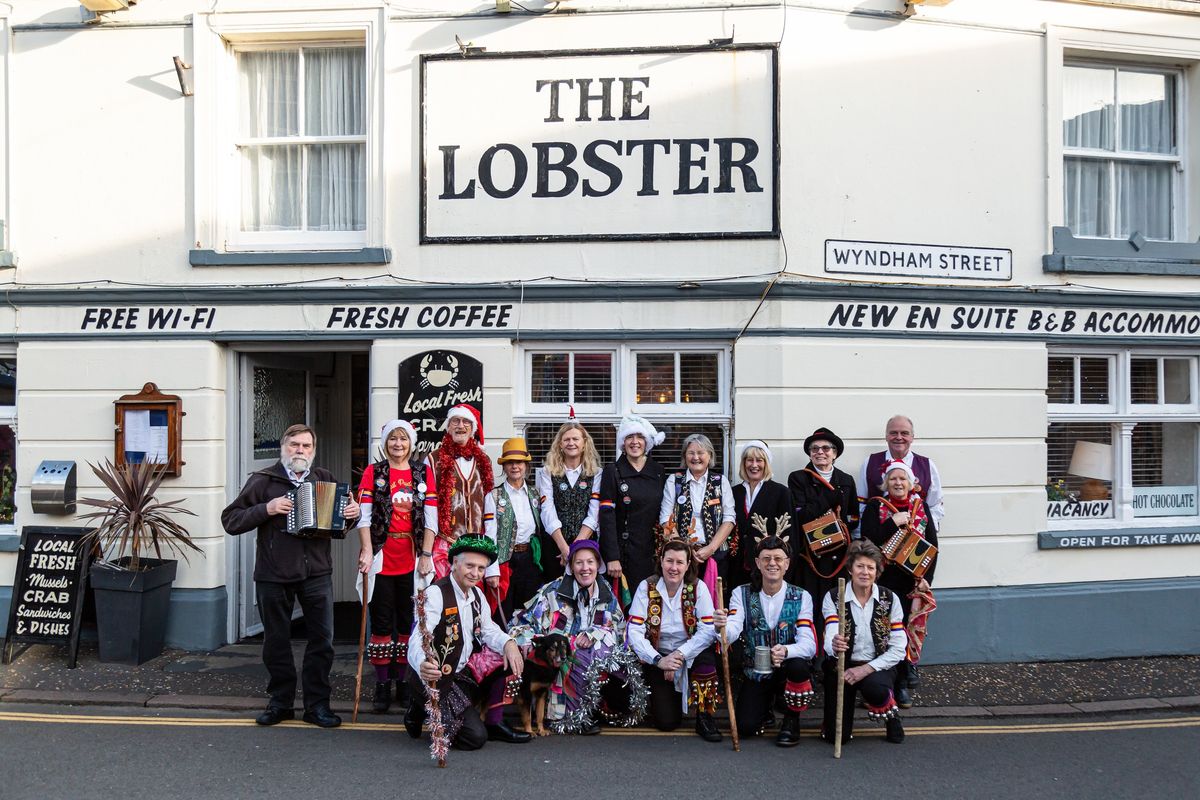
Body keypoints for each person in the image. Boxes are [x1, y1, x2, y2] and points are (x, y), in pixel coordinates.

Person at [221, 423, 361, 728]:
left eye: (306, 446)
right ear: (283, 448)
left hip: (317, 573)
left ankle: (317, 706)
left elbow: (339, 525)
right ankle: (280, 702)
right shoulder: (263, 482)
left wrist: (353, 515)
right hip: (273, 573)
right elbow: (231, 521)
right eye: (294, 445)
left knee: (322, 641)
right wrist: (267, 508)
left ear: (313, 450)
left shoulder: (323, 478)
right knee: (277, 641)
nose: (300, 450)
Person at [405, 535, 531, 749]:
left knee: (505, 654)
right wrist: (421, 665)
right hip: (436, 678)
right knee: (474, 738)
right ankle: (420, 704)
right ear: (454, 563)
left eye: (481, 568)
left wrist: (509, 643)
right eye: (470, 566)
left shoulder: (477, 595)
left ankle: (493, 720)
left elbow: (489, 629)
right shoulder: (435, 594)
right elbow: (417, 637)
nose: (475, 573)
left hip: (461, 674)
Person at [509, 539, 640, 734]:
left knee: (602, 653)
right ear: (571, 566)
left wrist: (594, 634)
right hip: (558, 658)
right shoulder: (553, 591)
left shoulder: (606, 593)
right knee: (575, 653)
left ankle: (604, 706)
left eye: (590, 562)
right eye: (579, 562)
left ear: (598, 565)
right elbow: (523, 624)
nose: (585, 568)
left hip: (595, 658)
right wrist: (531, 641)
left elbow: (618, 629)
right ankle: (572, 716)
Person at [353, 419, 438, 714]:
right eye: (393, 439)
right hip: (381, 555)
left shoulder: (421, 472)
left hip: (411, 557)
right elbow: (364, 516)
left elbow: (430, 518)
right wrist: (366, 549)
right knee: (381, 622)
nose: (398, 444)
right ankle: (381, 683)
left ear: (411, 443)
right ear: (385, 443)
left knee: (407, 622)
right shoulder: (373, 472)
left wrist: (426, 553)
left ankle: (402, 682)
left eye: (403, 439)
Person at [713, 535, 816, 747]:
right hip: (756, 670)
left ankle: (791, 719)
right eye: (766, 558)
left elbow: (809, 645)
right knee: (747, 727)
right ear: (757, 563)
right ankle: (765, 707)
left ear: (787, 564)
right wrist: (721, 627)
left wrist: (786, 651)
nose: (772, 563)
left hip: (786, 668)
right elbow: (732, 628)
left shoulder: (801, 596)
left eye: (778, 559)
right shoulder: (740, 594)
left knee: (799, 667)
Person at [626, 538, 722, 742]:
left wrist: (680, 655)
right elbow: (633, 631)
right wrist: (658, 660)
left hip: (690, 653)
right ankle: (671, 699)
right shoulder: (647, 586)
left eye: (679, 562)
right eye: (669, 561)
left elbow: (707, 630)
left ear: (688, 565)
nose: (674, 567)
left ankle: (704, 716)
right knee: (666, 723)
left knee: (707, 660)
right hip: (658, 656)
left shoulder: (698, 587)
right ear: (661, 561)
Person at [860, 460, 938, 709]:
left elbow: (933, 547)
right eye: (893, 478)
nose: (897, 483)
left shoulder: (922, 507)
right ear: (886, 483)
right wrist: (893, 522)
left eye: (902, 478)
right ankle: (879, 686)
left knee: (903, 631)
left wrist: (928, 579)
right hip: (882, 580)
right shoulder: (875, 507)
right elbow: (868, 541)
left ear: (911, 482)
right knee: (881, 632)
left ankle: (902, 683)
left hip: (910, 583)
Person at [822, 540, 907, 745]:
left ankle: (890, 710)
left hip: (877, 666)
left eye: (871, 568)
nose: (865, 572)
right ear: (850, 568)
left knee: (875, 689)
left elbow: (898, 650)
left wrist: (866, 669)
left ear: (877, 572)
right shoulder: (834, 596)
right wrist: (835, 645)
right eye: (860, 566)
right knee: (836, 737)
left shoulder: (890, 599)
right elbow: (830, 635)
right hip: (843, 665)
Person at [788, 427, 860, 634]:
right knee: (810, 605)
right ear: (809, 453)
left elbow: (853, 516)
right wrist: (829, 500)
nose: (820, 452)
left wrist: (842, 527)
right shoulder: (798, 478)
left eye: (826, 448)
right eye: (815, 448)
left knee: (836, 606)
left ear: (835, 453)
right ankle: (811, 653)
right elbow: (800, 516)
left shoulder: (846, 480)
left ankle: (832, 655)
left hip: (838, 556)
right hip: (810, 556)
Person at [420, 403, 492, 584]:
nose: (460, 425)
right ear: (448, 427)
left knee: (471, 598)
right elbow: (428, 507)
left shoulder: (483, 460)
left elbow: (489, 505)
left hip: (476, 544)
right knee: (443, 596)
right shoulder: (433, 459)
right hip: (445, 543)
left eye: (466, 421)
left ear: (473, 428)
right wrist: (426, 551)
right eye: (455, 421)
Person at [659, 433, 735, 603]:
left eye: (701, 453)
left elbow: (729, 519)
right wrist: (683, 548)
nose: (696, 457)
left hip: (716, 555)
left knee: (715, 600)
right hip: (681, 557)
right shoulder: (674, 480)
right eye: (691, 453)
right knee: (684, 600)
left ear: (710, 456)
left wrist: (711, 548)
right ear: (685, 456)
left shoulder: (720, 481)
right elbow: (665, 517)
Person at [598, 414, 666, 600]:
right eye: (629, 437)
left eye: (640, 437)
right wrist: (612, 557)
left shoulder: (658, 471)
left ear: (647, 442)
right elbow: (606, 517)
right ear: (623, 442)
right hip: (622, 555)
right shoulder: (612, 471)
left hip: (651, 552)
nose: (635, 442)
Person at [483, 436, 544, 618]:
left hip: (530, 560)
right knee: (504, 611)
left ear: (526, 465)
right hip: (505, 562)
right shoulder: (493, 496)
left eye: (519, 462)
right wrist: (491, 570)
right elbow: (490, 535)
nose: (514, 466)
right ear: (504, 466)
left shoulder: (535, 493)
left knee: (530, 610)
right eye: (510, 462)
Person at [536, 418, 602, 578]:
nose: (571, 443)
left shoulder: (596, 473)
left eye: (575, 439)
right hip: (554, 544)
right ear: (560, 444)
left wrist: (575, 548)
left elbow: (594, 513)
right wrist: (564, 548)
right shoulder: (547, 472)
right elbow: (547, 509)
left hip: (586, 544)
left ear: (584, 443)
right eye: (566, 439)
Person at [858, 414, 945, 529]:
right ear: (886, 436)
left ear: (912, 437)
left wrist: (923, 529)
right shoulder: (870, 462)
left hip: (916, 538)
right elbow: (861, 503)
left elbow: (935, 505)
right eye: (893, 433)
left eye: (904, 433)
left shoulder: (927, 465)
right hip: (878, 539)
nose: (899, 437)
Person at [731, 440, 791, 589]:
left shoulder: (780, 492)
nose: (754, 465)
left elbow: (790, 534)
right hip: (736, 565)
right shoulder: (734, 492)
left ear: (767, 463)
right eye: (749, 460)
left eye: (759, 460)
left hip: (768, 567)